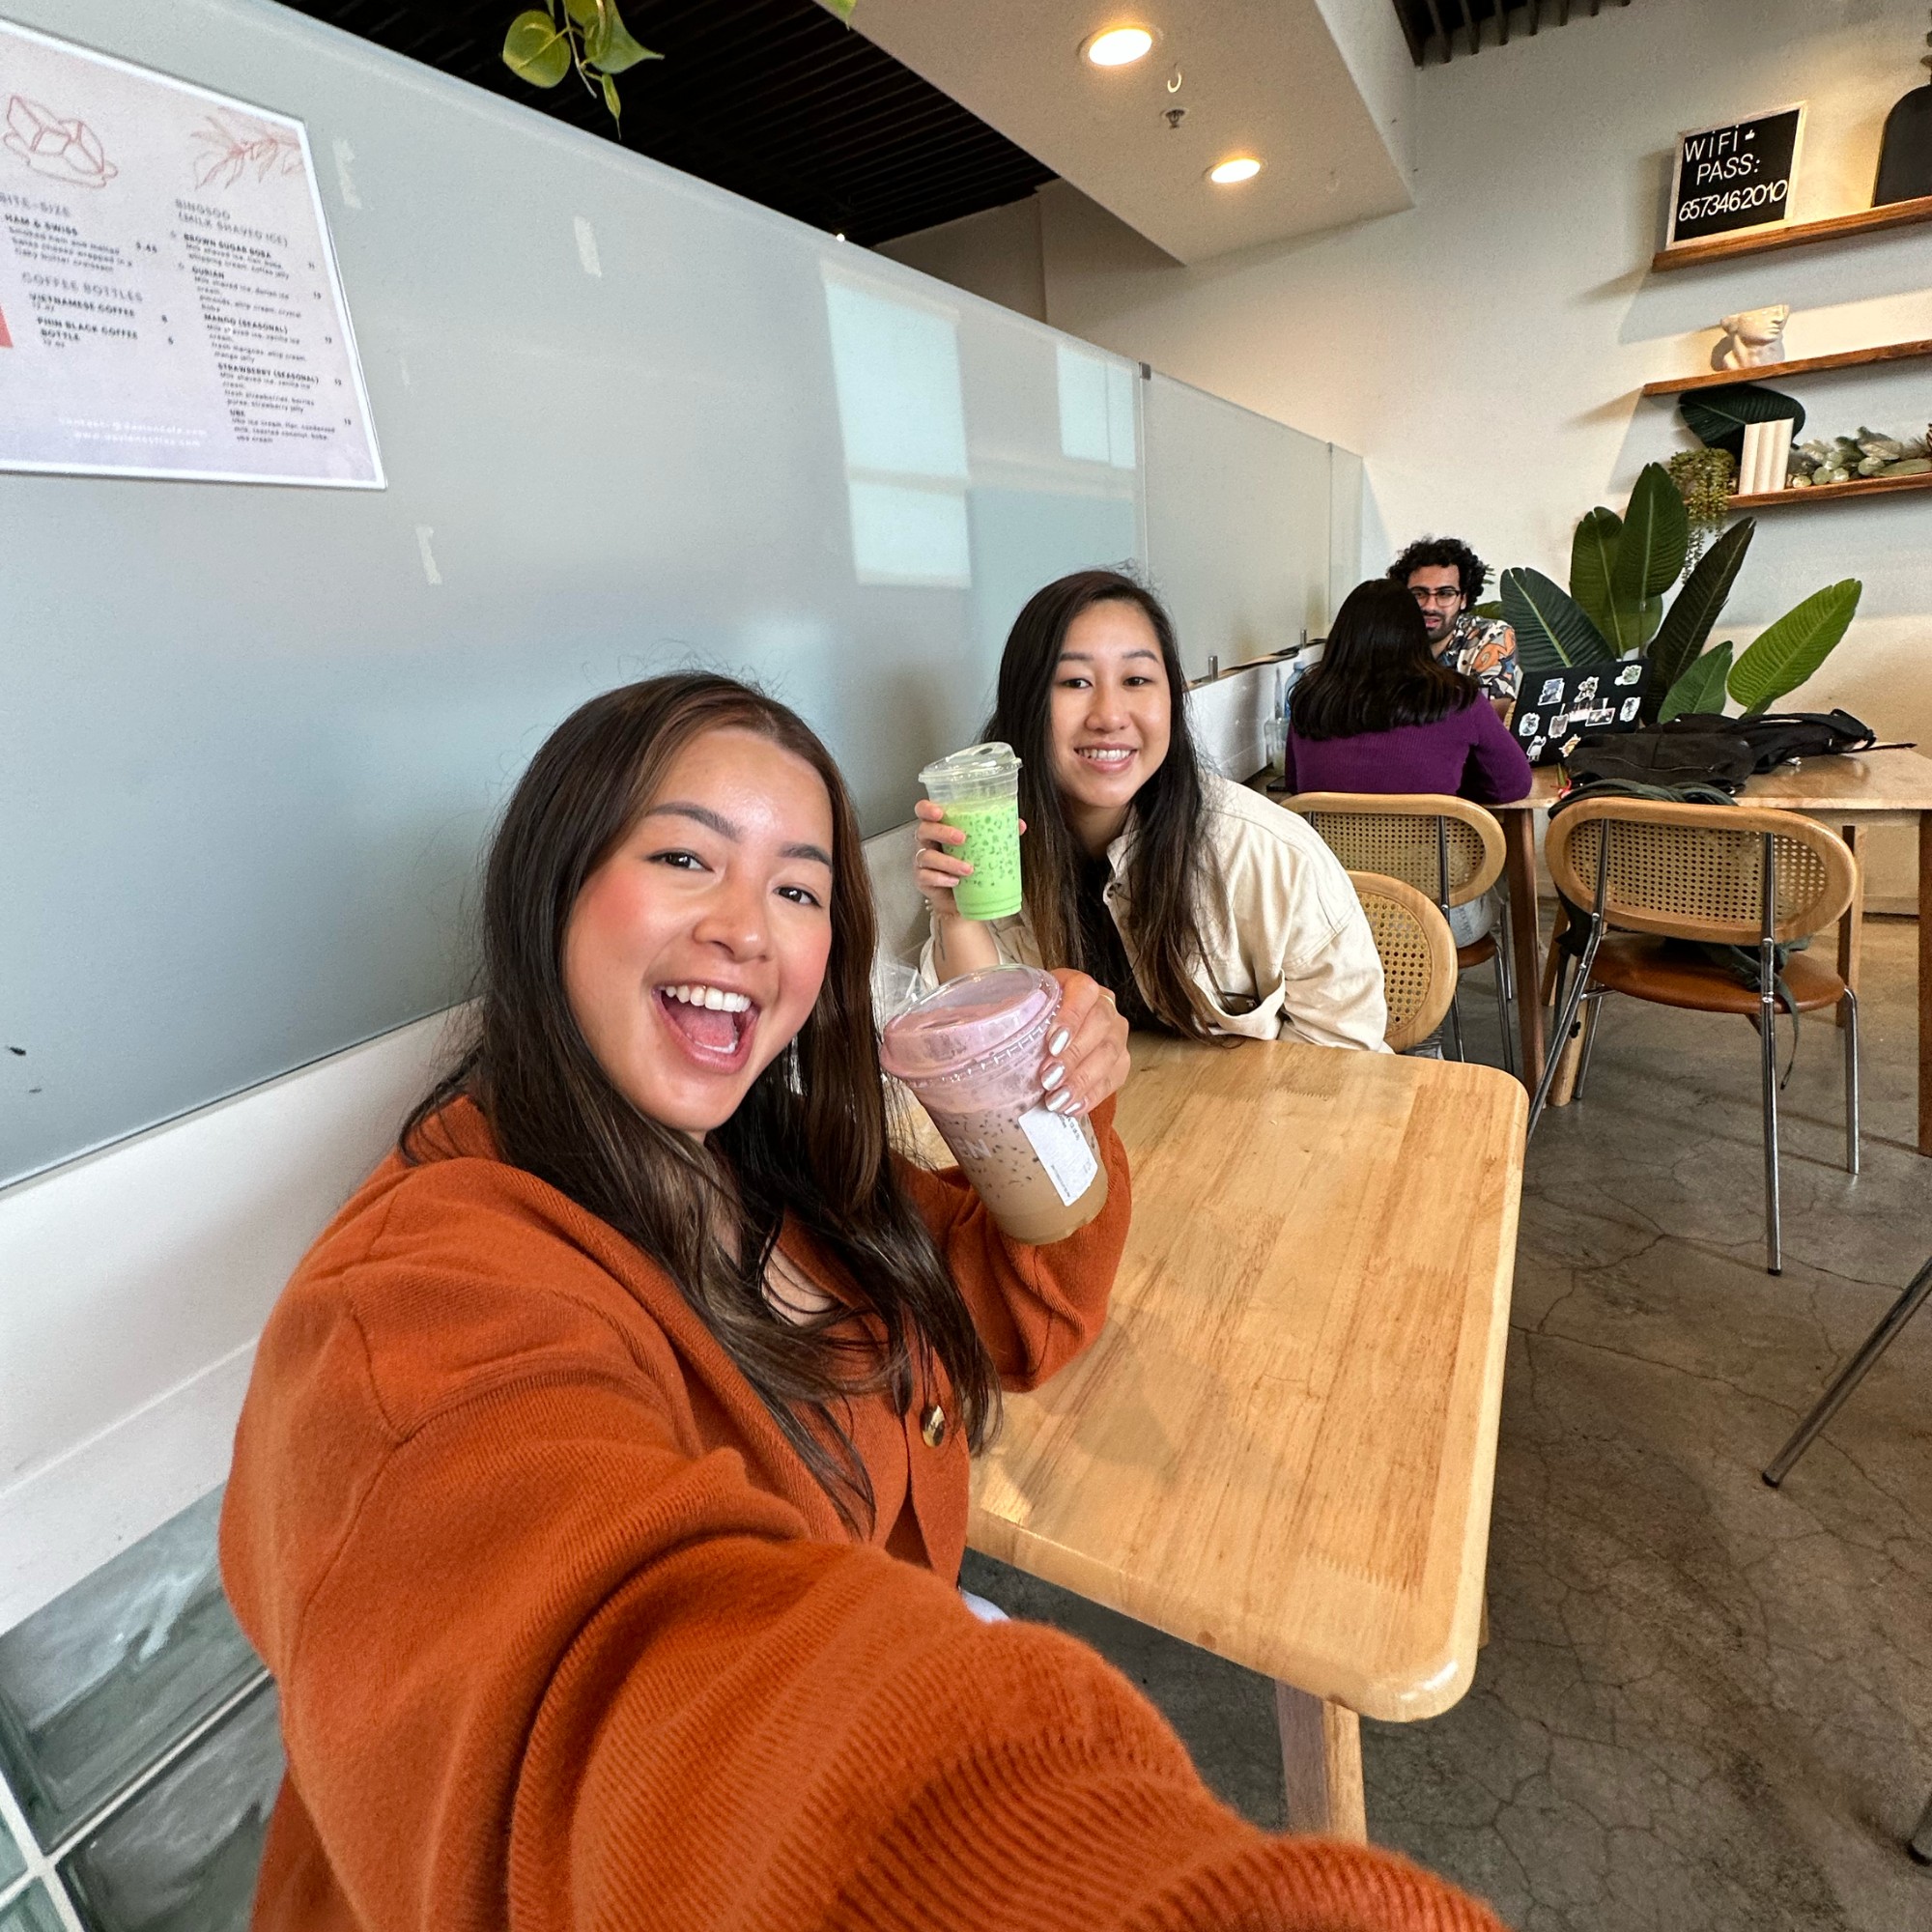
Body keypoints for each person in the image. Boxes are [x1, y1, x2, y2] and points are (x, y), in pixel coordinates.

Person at [218, 673, 1498, 1932]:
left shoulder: (762, 1164)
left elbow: (1021, 1308)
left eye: (797, 888)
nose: (750, 927)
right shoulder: (413, 1313)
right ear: (549, 883)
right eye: (684, 859)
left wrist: (1054, 1091)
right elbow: (634, 1692)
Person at [917, 569, 1389, 1053]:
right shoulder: (994, 855)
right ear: (1025, 705)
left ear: (1172, 699)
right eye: (1075, 681)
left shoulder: (1267, 852)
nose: (1109, 716)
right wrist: (957, 917)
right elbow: (986, 1054)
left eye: (1136, 679)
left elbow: (1345, 1059)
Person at [1285, 580, 1531, 948]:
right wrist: (1449, 790)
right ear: (1415, 635)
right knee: (1496, 890)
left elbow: (1296, 783)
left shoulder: (1309, 702)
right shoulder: (1458, 697)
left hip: (1331, 916)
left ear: (1341, 635)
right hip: (1438, 916)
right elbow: (1514, 785)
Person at [1388, 534, 1520, 718]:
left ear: (1463, 599)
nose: (1430, 606)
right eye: (1419, 594)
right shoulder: (1384, 637)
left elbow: (1488, 722)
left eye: (1445, 594)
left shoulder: (1489, 636)